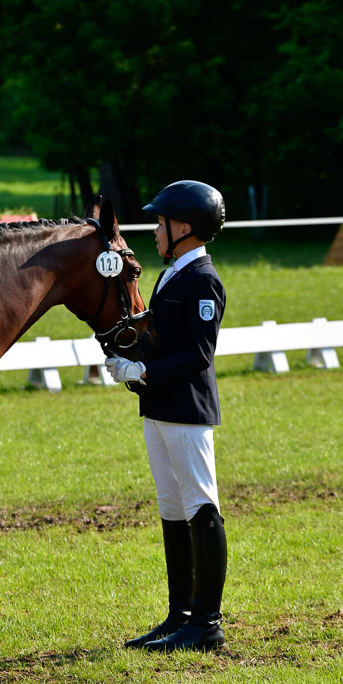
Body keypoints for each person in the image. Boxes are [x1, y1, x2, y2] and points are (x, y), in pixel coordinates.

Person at [105, 180, 227, 652]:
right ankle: (180, 615)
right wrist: (131, 350)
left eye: (160, 222)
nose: (155, 230)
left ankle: (207, 623)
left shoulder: (203, 280)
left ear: (183, 227)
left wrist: (143, 369)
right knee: (172, 509)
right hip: (158, 407)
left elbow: (198, 355)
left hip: (187, 410)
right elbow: (164, 335)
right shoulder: (172, 273)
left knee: (201, 506)